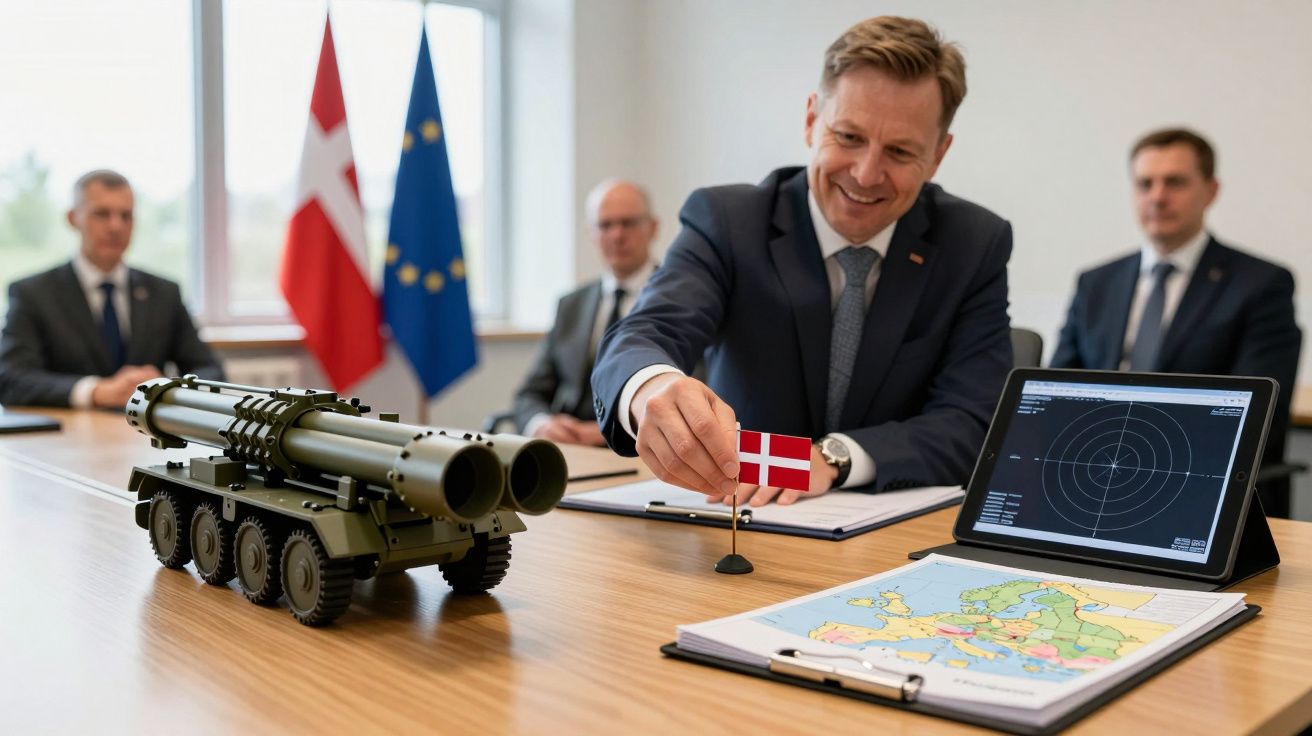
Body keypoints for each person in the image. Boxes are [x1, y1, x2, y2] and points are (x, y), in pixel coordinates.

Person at [591, 16, 1013, 506]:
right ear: (812, 119)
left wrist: (833, 458)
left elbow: (976, 420)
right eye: (849, 137)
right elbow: (643, 334)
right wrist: (651, 388)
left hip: (897, 538)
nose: (866, 173)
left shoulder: (973, 243)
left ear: (938, 155)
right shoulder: (729, 221)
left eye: (899, 151)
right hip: (739, 520)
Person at [1051, 128, 1302, 517]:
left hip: (1197, 484)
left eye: (1175, 182)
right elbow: (1059, 394)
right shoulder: (1096, 282)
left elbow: (1255, 419)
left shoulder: (1261, 284)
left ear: (1211, 190)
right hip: (1092, 477)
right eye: (1144, 183)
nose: (1158, 196)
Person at [0, 169, 224, 408]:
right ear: (73, 218)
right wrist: (95, 391)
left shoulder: (164, 293)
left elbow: (210, 371)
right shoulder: (34, 294)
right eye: (102, 214)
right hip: (68, 438)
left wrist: (167, 388)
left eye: (126, 216)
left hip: (148, 438)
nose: (116, 226)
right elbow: (12, 379)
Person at [511, 179, 659, 446]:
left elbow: (693, 388)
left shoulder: (678, 299)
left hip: (641, 452)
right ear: (591, 233)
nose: (616, 235)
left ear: (652, 228)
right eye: (605, 225)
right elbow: (529, 394)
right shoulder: (571, 304)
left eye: (627, 223)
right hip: (569, 448)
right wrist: (541, 423)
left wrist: (610, 430)